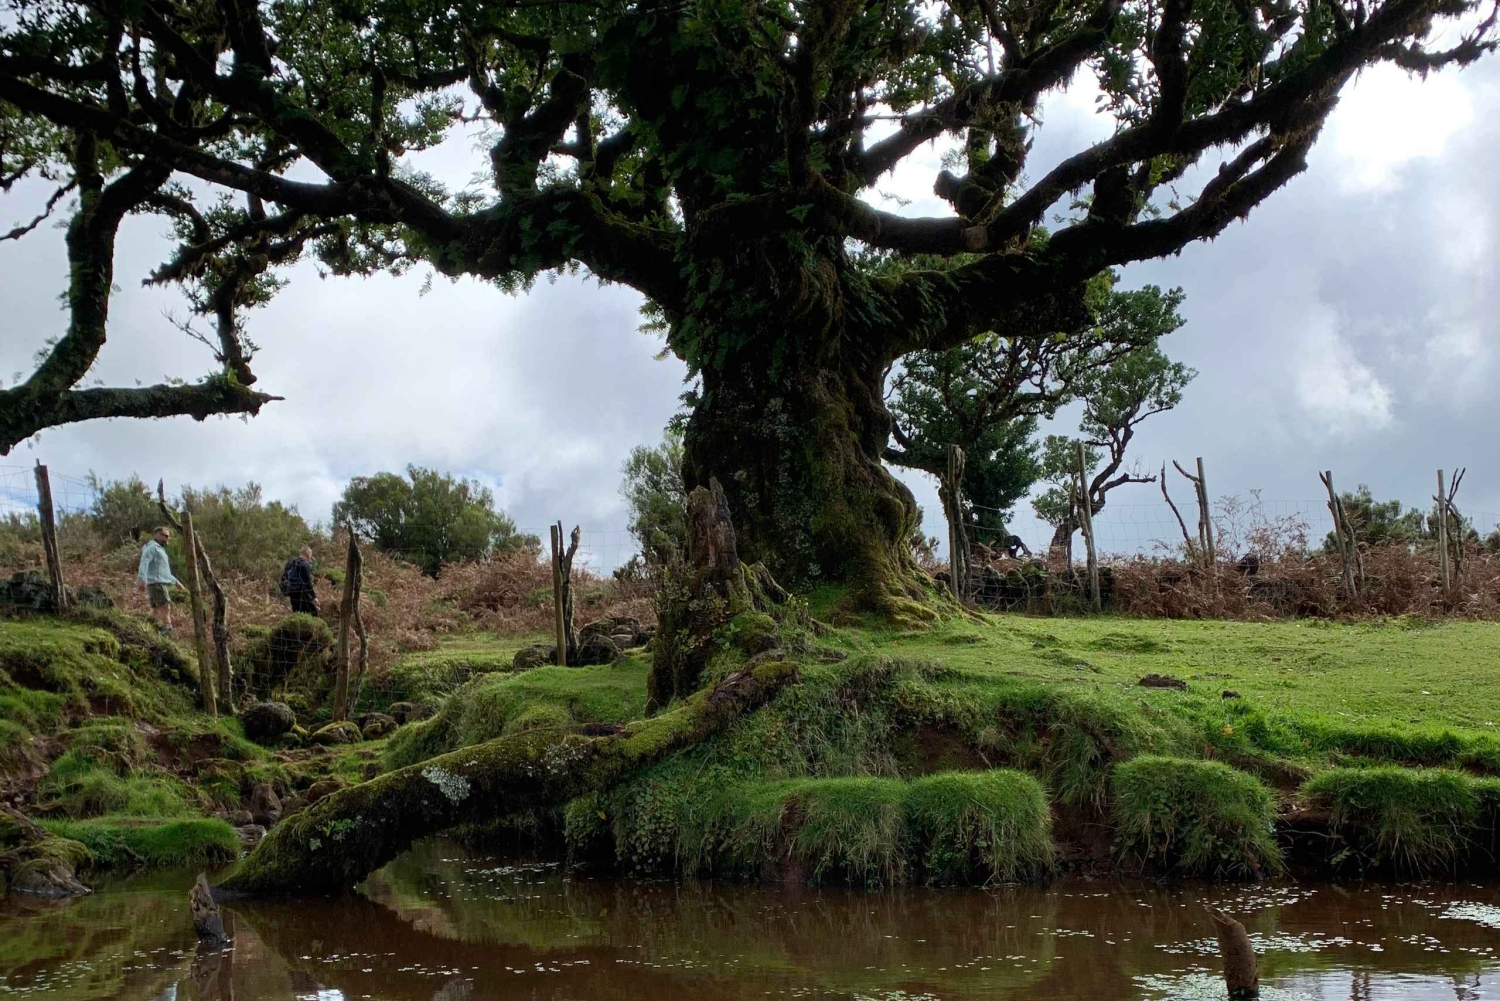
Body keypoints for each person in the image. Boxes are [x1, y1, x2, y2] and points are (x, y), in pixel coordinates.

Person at [137, 526, 185, 631]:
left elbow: (164, 572)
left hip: (156, 583)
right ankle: (167, 629)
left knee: (155, 609)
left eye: (168, 536)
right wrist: (142, 580)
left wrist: (176, 582)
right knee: (165, 607)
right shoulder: (152, 548)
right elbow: (144, 563)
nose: (167, 538)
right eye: (165, 536)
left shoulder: (159, 549)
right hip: (157, 584)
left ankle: (144, 628)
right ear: (156, 535)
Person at [281, 545, 319, 616]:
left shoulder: (290, 562)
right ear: (308, 554)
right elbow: (307, 582)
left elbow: (284, 577)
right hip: (302, 594)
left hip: (292, 592)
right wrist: (313, 597)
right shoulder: (305, 564)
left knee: (297, 613)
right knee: (313, 613)